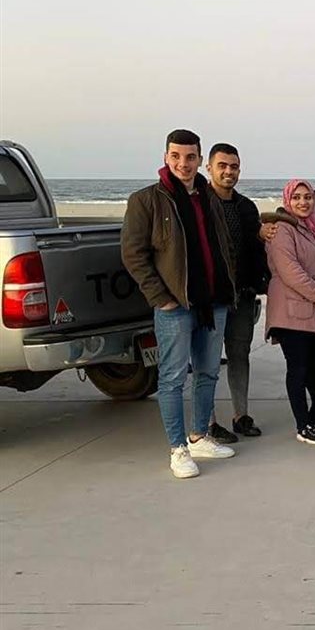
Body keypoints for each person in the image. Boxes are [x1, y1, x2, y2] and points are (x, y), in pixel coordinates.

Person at [120, 129, 237, 479]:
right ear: (165, 157)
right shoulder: (147, 200)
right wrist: (161, 298)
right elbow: (133, 254)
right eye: (175, 156)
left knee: (208, 372)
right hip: (175, 305)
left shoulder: (208, 196)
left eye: (190, 157)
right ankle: (178, 448)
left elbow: (221, 244)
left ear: (199, 159)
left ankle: (199, 436)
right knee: (172, 378)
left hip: (212, 302)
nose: (183, 164)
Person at [263, 180, 315, 446]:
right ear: (288, 200)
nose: (303, 202)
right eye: (296, 197)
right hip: (291, 313)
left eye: (307, 197)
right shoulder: (282, 230)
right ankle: (303, 424)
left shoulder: (309, 229)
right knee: (299, 369)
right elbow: (292, 273)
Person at [204, 142, 269, 443]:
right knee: (207, 360)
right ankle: (208, 422)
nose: (228, 171)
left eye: (234, 167)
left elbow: (255, 248)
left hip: (242, 295)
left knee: (239, 355)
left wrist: (260, 284)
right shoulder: (199, 205)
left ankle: (241, 415)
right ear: (209, 168)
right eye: (222, 166)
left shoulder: (246, 206)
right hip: (210, 298)